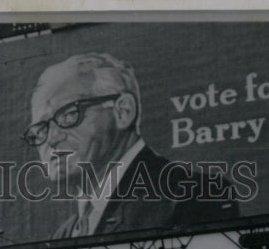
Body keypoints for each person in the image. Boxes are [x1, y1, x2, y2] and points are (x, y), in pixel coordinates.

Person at [25, 53, 238, 239]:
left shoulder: (193, 196)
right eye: (41, 129)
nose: (51, 139)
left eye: (69, 114)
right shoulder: (64, 234)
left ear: (123, 111)